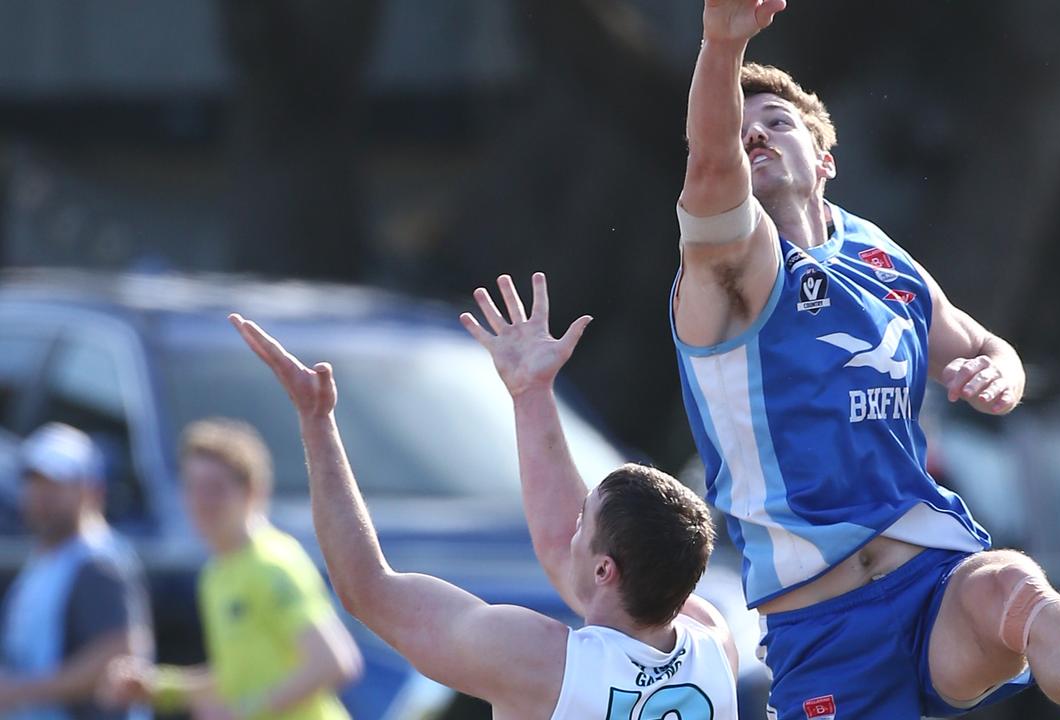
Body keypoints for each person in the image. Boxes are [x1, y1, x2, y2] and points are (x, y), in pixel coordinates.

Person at [670, 2, 1060, 719]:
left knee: (1010, 587)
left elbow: (982, 344)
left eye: (778, 122)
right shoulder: (732, 268)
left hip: (931, 578)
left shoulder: (880, 257)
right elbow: (711, 163)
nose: (756, 132)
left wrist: (1002, 372)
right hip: (823, 623)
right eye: (744, 127)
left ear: (825, 159)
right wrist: (721, 45)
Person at [224, 270, 739, 720]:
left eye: (585, 521)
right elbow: (577, 551)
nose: (572, 530)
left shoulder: (538, 661)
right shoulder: (715, 642)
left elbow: (367, 590)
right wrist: (531, 393)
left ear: (605, 571)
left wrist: (318, 423)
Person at [98, 419, 362, 720]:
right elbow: (237, 677)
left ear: (252, 491)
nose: (201, 502)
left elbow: (334, 662)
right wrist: (158, 687)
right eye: (193, 487)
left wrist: (244, 711)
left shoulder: (272, 563)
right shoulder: (216, 573)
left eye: (215, 489)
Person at [0, 423, 152, 720]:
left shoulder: (98, 563)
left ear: (91, 490)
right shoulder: (45, 560)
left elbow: (117, 655)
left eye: (56, 483)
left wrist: (18, 691)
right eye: (34, 482)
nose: (40, 495)